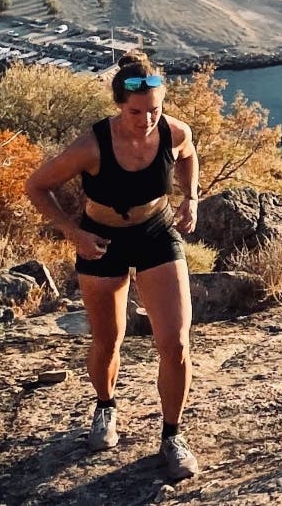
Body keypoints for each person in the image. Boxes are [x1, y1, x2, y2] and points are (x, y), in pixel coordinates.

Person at [25, 54, 202, 481]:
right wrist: (74, 233)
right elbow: (37, 186)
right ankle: (105, 407)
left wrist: (190, 196)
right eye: (136, 111)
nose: (146, 119)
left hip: (156, 234)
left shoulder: (174, 131)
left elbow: (188, 154)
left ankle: (172, 436)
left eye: (154, 109)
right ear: (120, 104)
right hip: (101, 243)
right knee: (108, 341)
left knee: (175, 343)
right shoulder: (92, 145)